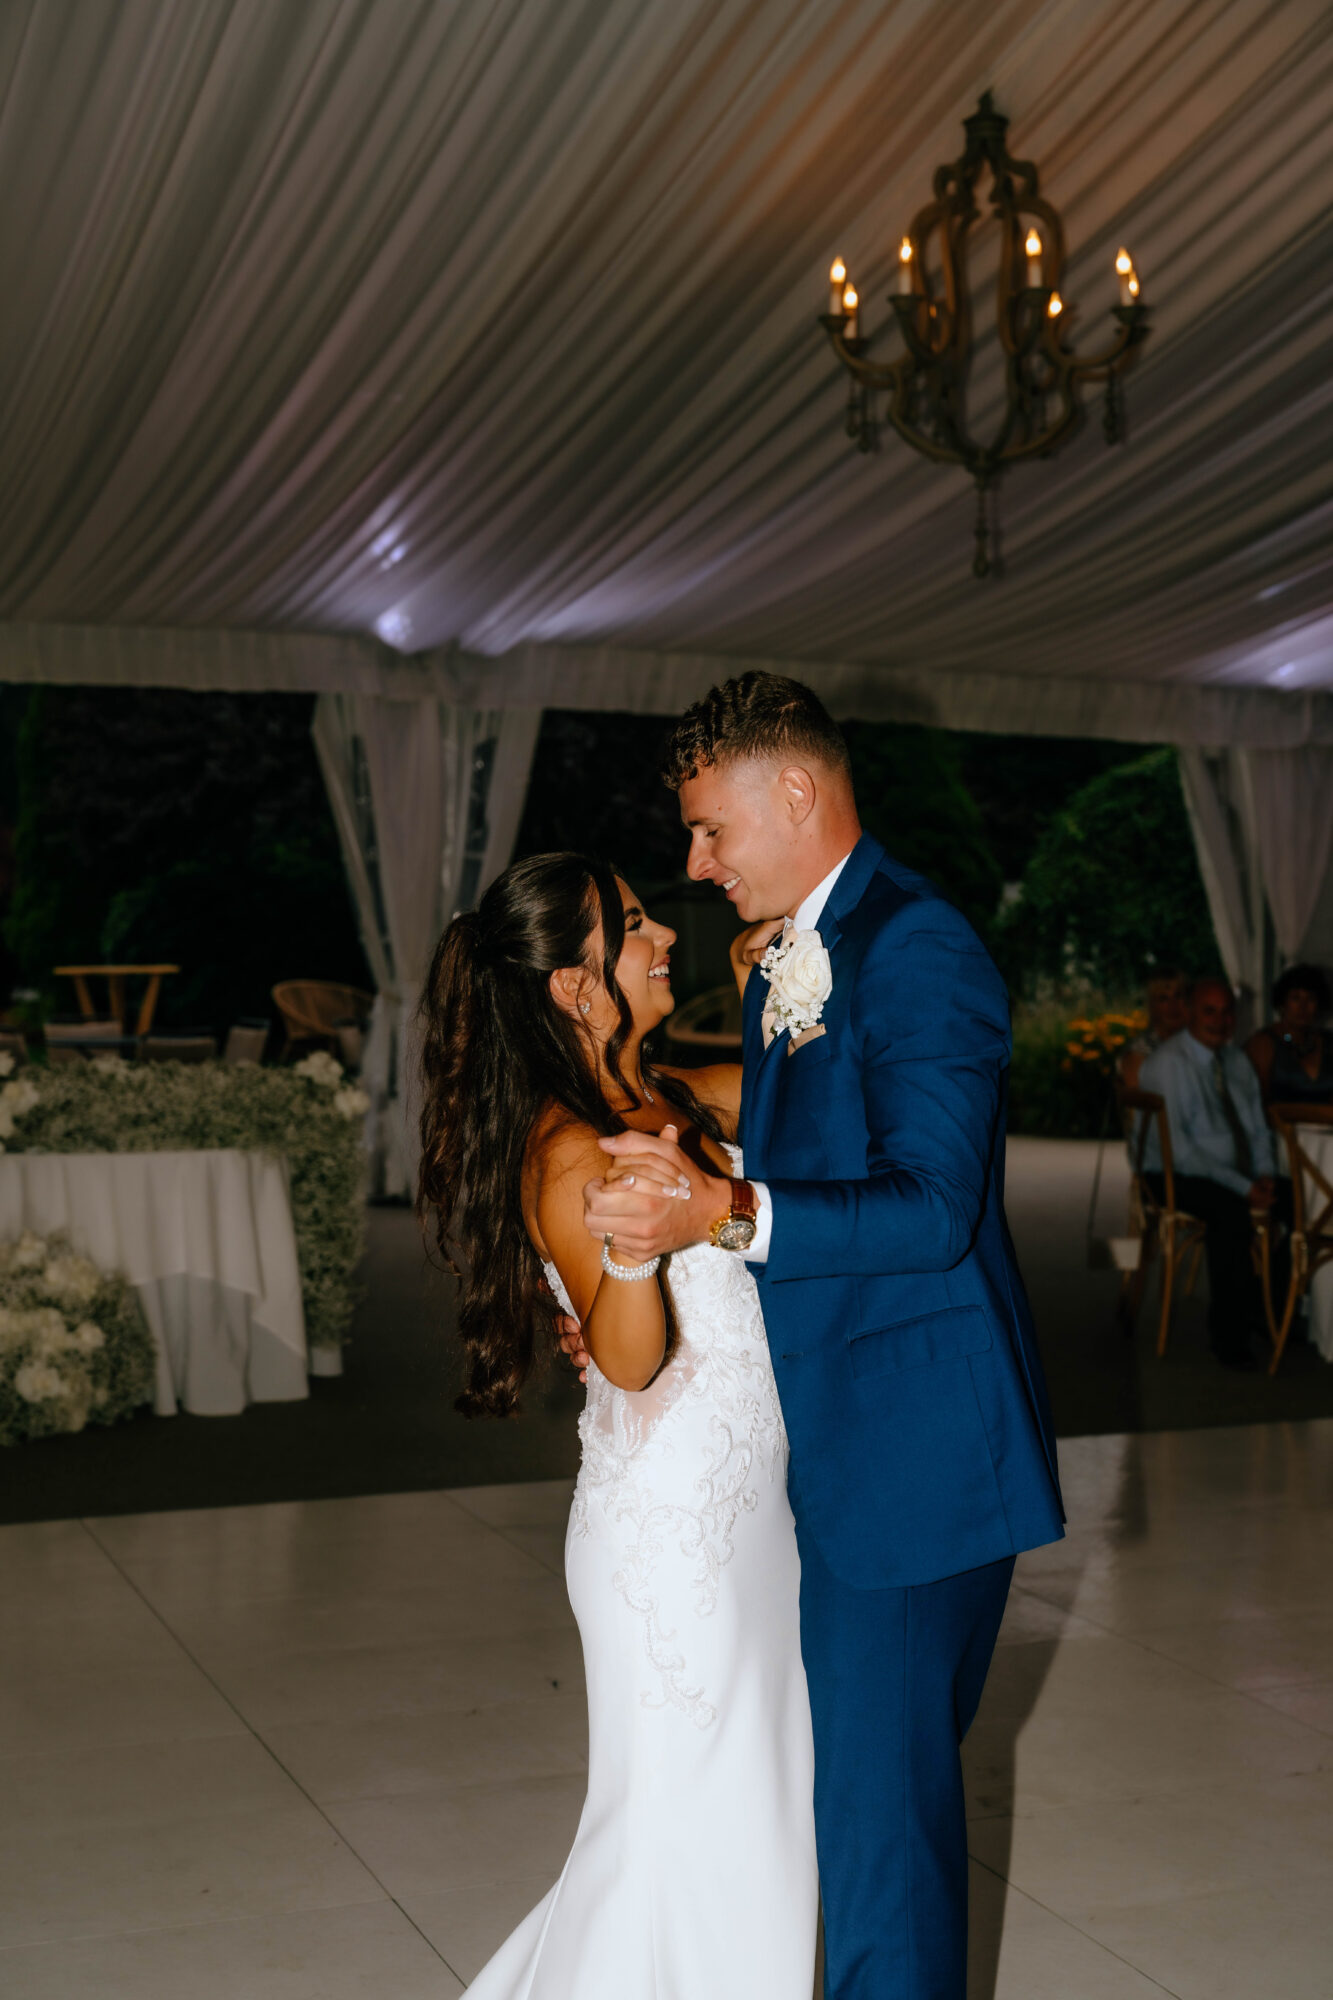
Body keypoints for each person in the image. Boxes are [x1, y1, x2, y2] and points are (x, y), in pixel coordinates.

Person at [575, 672, 1065, 2000]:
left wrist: (721, 1212)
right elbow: (805, 1151)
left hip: (911, 1460)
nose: (695, 863)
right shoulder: (802, 948)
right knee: (868, 1813)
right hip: (853, 1446)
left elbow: (930, 1206)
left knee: (878, 1843)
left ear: (795, 790)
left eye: (710, 829)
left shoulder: (916, 946)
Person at [416, 851, 818, 2000]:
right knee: (672, 1839)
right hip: (670, 1538)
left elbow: (803, 1092)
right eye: (635, 924)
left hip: (750, 1518)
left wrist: (770, 980)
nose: (663, 936)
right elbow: (632, 1362)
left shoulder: (670, 1096)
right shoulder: (568, 1148)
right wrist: (634, 1256)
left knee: (754, 1815)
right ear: (575, 984)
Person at [1139, 974, 1292, 1368]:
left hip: (1234, 1172)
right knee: (1230, 1212)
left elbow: (1257, 1129)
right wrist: (1244, 1187)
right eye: (1209, 1011)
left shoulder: (1236, 1060)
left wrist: (1264, 1174)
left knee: (1303, 1203)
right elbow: (1181, 1152)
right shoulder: (1170, 1064)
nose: (1220, 1022)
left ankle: (1268, 1306)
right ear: (1189, 1012)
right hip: (1170, 1174)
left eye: (1227, 1013)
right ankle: (1229, 1338)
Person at [1245, 962, 1333, 1106]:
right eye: (1295, 998)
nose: (1303, 1007)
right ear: (1282, 1003)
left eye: (1311, 999)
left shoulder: (1327, 1042)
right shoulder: (1264, 1044)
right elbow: (1255, 1103)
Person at [1119, 967, 1188, 1089]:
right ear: (1152, 1005)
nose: (1173, 1005)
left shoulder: (1199, 1040)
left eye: (1178, 996)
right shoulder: (1140, 1052)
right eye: (1163, 999)